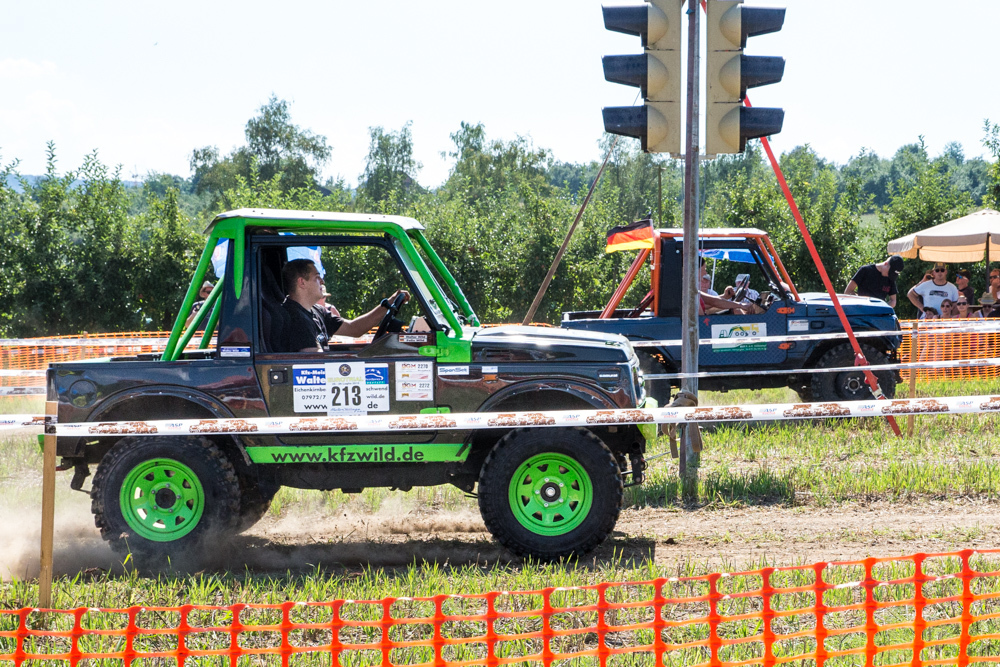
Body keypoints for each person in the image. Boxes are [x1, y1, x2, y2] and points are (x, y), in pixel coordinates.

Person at [280, 258, 408, 353]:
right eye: (317, 277)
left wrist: (388, 303)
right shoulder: (296, 318)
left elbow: (354, 328)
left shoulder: (317, 311)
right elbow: (314, 360)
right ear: (302, 282)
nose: (322, 282)